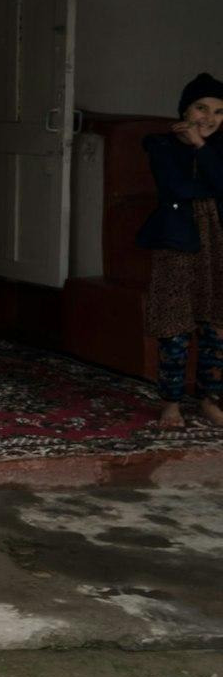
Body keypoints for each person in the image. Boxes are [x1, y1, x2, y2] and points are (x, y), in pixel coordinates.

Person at [136, 71, 223, 428]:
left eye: (219, 112)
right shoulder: (160, 144)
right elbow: (177, 188)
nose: (209, 118)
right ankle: (170, 403)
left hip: (218, 242)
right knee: (175, 322)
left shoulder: (218, 148)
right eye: (201, 108)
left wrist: (203, 148)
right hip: (178, 241)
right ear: (184, 109)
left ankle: (209, 399)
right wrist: (205, 166)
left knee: (217, 324)